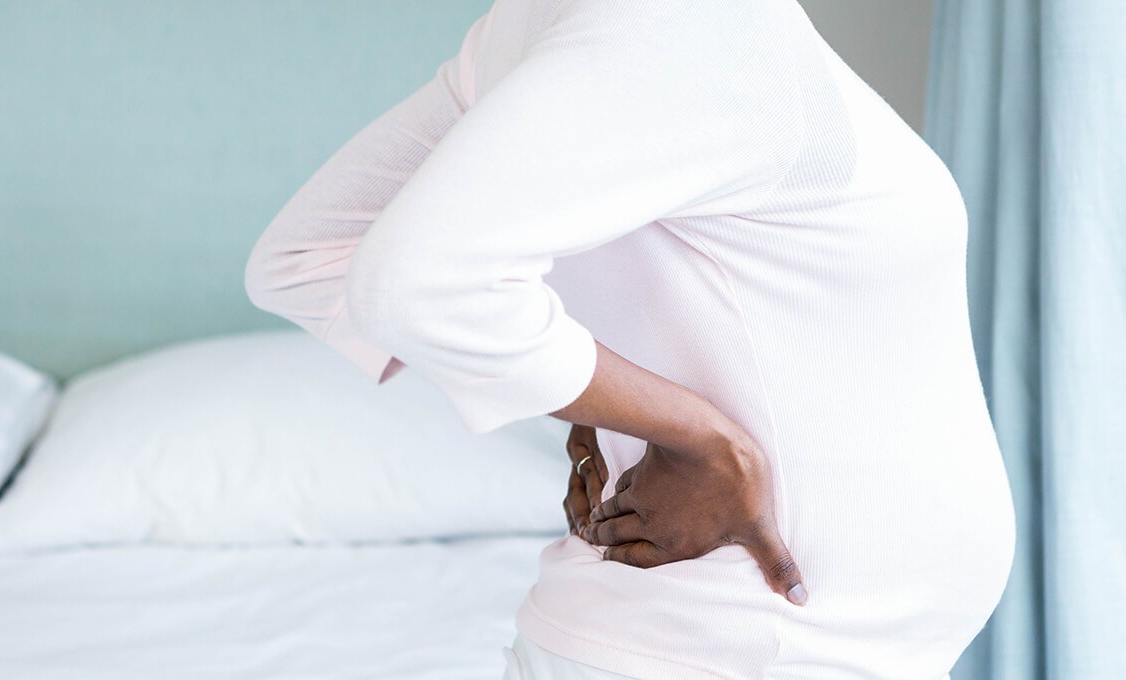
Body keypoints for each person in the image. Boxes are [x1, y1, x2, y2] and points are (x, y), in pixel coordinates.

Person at [243, 0, 1016, 677]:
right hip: (736, 642)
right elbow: (387, 279)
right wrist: (699, 440)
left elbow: (307, 261)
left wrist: (596, 397)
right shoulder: (677, 23)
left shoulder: (562, 27)